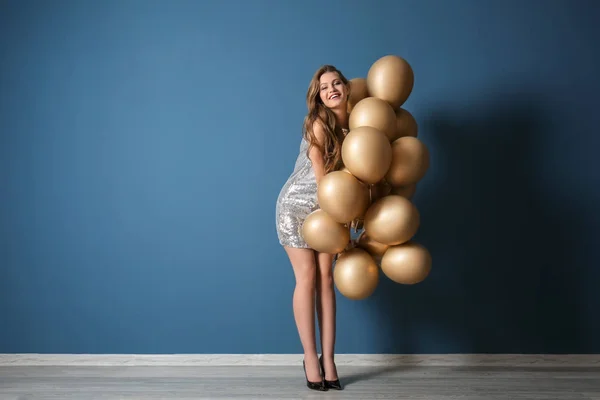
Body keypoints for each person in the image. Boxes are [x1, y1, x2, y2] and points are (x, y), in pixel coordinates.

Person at [275, 65, 351, 391]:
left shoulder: (362, 126)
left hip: (328, 209)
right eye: (324, 87)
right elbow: (322, 179)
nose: (331, 89)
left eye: (336, 83)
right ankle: (310, 357)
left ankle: (329, 359)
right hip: (297, 207)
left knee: (326, 279)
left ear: (347, 88)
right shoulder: (319, 123)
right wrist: (339, 213)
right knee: (306, 279)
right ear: (318, 96)